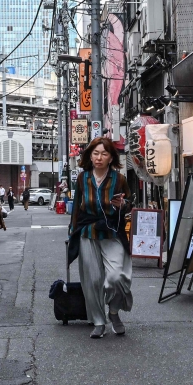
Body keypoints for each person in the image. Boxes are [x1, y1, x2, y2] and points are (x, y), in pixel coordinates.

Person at [67, 137, 132, 338]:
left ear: (111, 157)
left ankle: (113, 312)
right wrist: (72, 231)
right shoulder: (82, 178)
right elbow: (77, 206)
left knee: (116, 277)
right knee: (92, 280)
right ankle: (98, 321)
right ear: (90, 155)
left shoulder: (119, 179)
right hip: (87, 233)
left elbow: (128, 203)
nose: (99, 157)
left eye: (104, 154)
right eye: (96, 153)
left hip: (112, 233)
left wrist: (123, 205)